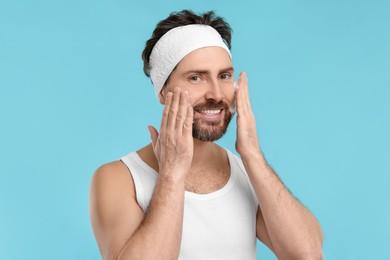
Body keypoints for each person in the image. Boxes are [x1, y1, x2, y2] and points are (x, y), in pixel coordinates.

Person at [89, 10, 323, 260]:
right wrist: (171, 174)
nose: (216, 94)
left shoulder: (245, 172)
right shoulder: (119, 179)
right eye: (196, 78)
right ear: (162, 90)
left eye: (224, 76)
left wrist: (252, 155)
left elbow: (307, 255)